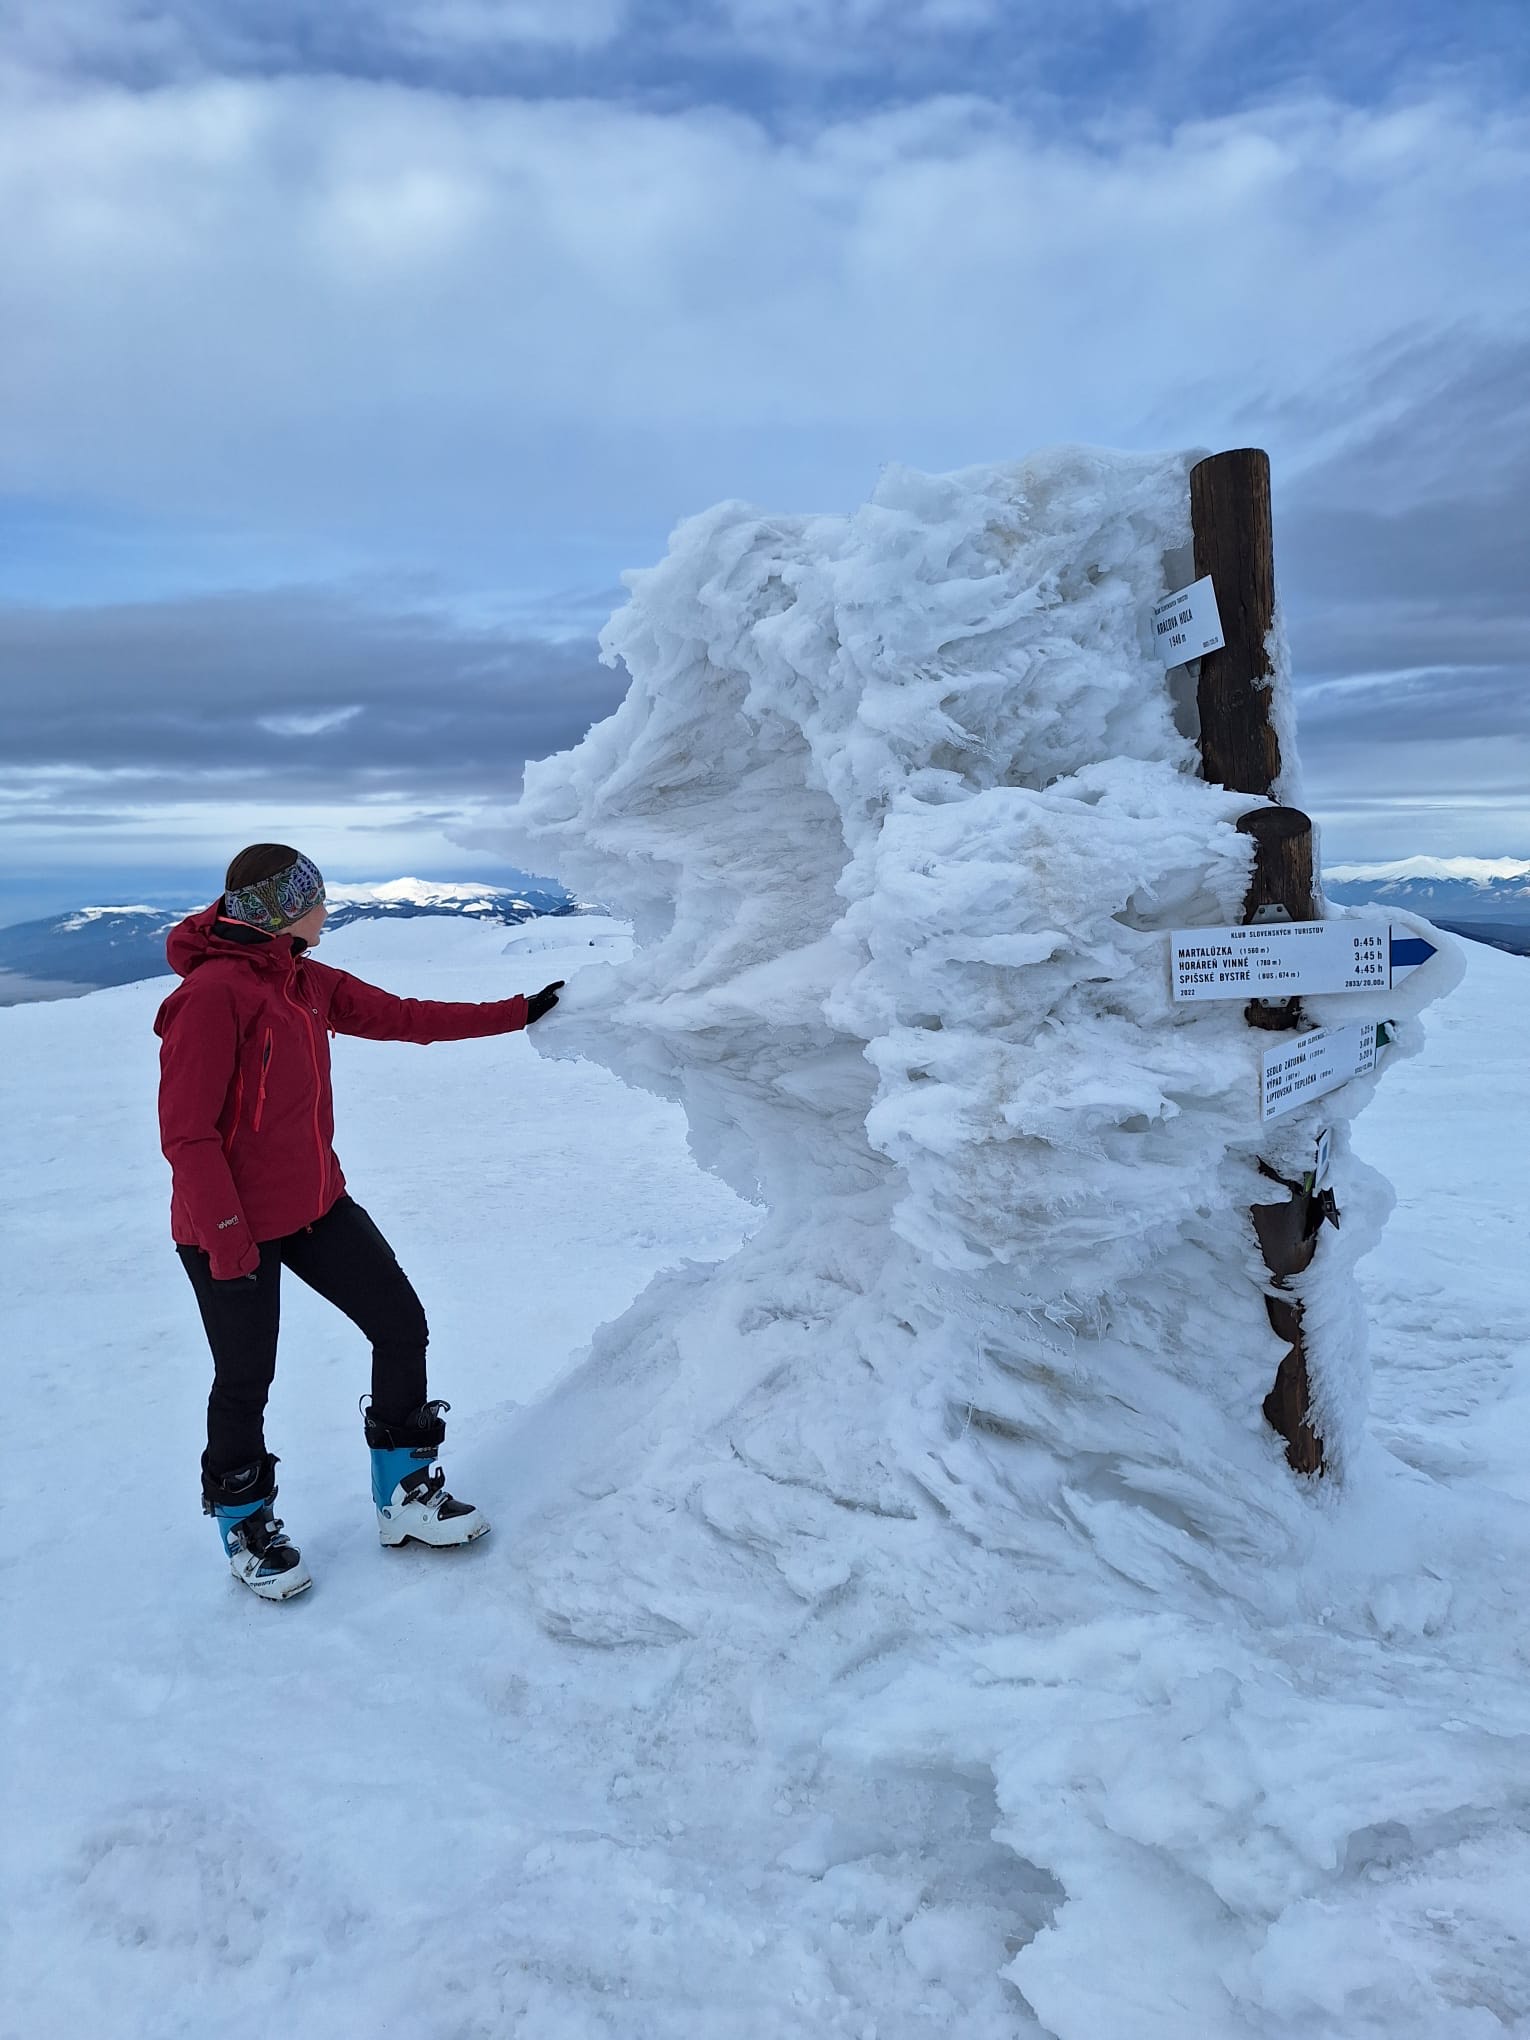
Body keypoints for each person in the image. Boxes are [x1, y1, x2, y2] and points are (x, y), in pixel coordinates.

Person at [155, 844, 564, 1602]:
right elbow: (187, 1134)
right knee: (246, 1379)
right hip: (228, 1227)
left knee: (400, 1324)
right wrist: (226, 1238)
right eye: (316, 898)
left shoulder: (303, 981)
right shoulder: (214, 996)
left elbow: (405, 1018)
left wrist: (520, 1013)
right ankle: (247, 1525)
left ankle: (405, 1496)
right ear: (284, 911)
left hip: (317, 1208)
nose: (326, 909)